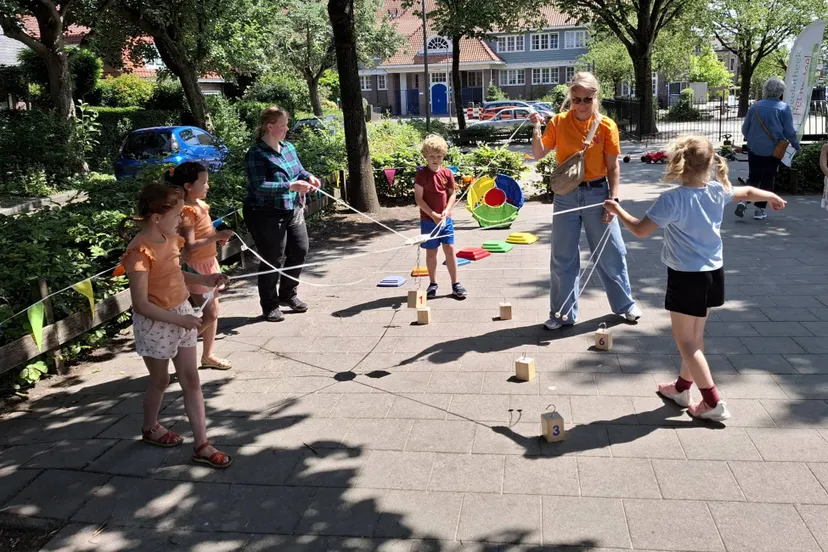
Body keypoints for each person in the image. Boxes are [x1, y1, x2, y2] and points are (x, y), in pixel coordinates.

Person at [604, 135, 787, 422]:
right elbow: (749, 191)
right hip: (714, 274)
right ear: (710, 163)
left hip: (686, 277)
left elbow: (640, 230)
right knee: (695, 336)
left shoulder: (672, 199)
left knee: (685, 341)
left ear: (678, 163)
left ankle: (712, 401)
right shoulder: (717, 190)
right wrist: (772, 196)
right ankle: (681, 389)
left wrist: (617, 211)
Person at [121, 182, 232, 468]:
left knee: (191, 379)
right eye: (176, 216)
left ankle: (202, 444)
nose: (182, 222)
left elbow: (176, 274)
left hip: (180, 312)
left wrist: (205, 280)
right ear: (157, 217)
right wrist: (180, 320)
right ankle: (150, 427)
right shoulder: (138, 252)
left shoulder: (170, 238)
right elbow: (141, 303)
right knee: (160, 380)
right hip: (155, 322)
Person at [530, 71, 640, 330]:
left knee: (611, 251)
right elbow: (538, 153)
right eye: (576, 99)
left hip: (597, 194)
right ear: (570, 97)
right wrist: (536, 127)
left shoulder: (606, 125)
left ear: (595, 98)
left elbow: (613, 167)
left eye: (586, 99)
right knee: (562, 256)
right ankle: (561, 314)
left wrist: (613, 199)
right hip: (566, 195)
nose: (580, 104)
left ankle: (625, 305)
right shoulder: (558, 122)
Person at [244, 106, 321, 322]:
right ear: (270, 127)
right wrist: (290, 186)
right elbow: (259, 186)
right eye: (283, 125)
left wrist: (310, 177)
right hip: (265, 213)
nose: (287, 128)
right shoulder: (256, 154)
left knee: (300, 249)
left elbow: (299, 172)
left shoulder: (288, 148)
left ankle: (288, 294)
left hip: (292, 208)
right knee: (272, 258)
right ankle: (269, 305)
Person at [166, 162, 234, 370]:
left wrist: (215, 240)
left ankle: (208, 354)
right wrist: (216, 236)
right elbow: (190, 245)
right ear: (188, 186)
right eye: (203, 182)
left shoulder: (200, 205)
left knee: (214, 310)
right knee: (210, 313)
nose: (207, 186)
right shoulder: (187, 211)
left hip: (208, 263)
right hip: (194, 267)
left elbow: (203, 237)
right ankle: (179, 343)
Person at [736, 77, 800, 220]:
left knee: (753, 177)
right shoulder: (784, 108)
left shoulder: (755, 107)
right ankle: (759, 210)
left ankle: (743, 201)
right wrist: (796, 145)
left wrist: (752, 141)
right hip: (774, 150)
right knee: (767, 178)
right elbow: (789, 131)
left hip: (754, 149)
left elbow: (745, 129)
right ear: (781, 91)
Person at [413, 135, 467, 299]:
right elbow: (419, 199)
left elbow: (452, 194)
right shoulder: (422, 175)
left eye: (438, 156)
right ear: (425, 157)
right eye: (431, 156)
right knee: (431, 252)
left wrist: (447, 210)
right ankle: (433, 283)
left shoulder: (447, 173)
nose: (435, 159)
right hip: (429, 221)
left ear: (443, 156)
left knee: (450, 250)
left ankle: (455, 283)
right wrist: (433, 215)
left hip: (445, 220)